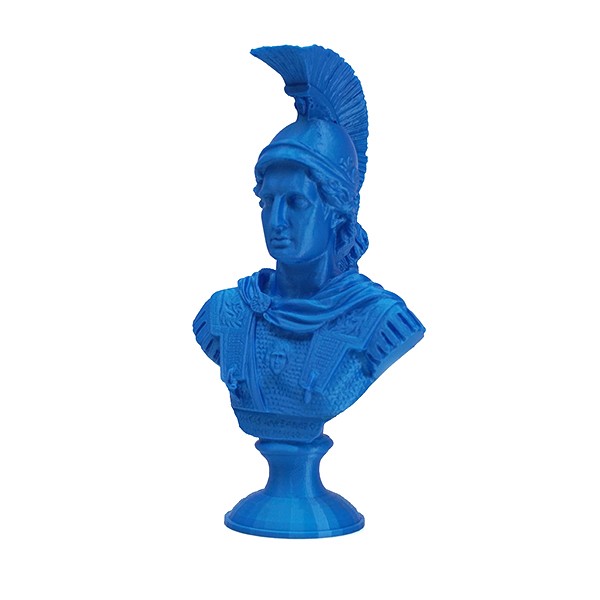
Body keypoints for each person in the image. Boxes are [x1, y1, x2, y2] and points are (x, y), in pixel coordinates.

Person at [193, 45, 425, 443]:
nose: (276, 221)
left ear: (336, 212)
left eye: (297, 203)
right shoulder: (226, 312)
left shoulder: (380, 319)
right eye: (268, 202)